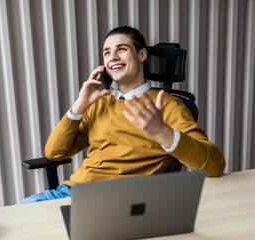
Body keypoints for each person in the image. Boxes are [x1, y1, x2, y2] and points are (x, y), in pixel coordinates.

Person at [17, 26, 225, 204]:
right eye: (107, 53)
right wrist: (79, 106)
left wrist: (163, 132)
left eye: (121, 49)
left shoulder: (168, 106)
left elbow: (214, 166)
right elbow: (54, 154)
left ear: (142, 55)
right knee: (13, 219)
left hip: (122, 202)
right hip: (72, 193)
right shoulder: (99, 105)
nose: (112, 57)